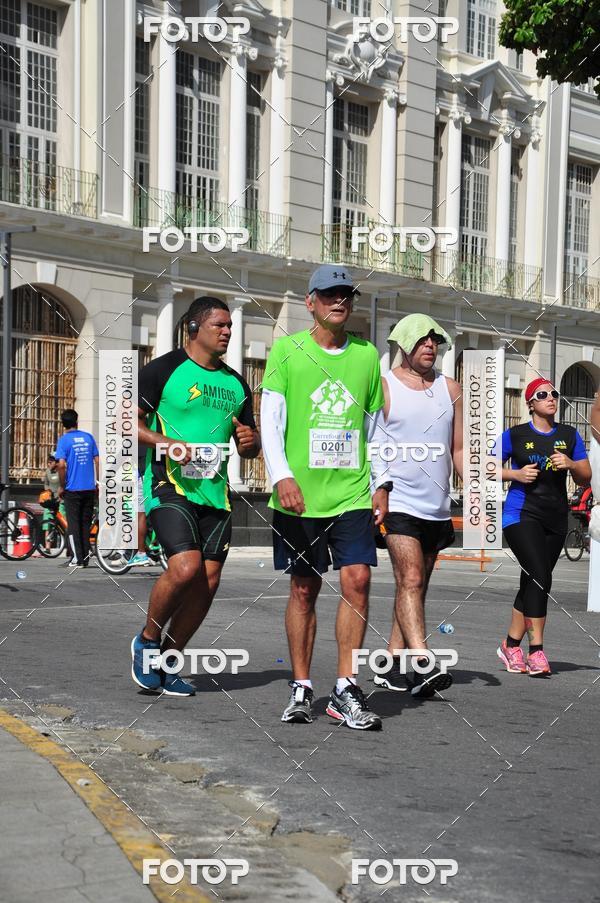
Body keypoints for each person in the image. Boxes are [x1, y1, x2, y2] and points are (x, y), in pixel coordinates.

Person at [260, 265, 390, 731]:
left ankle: (345, 686)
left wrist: (382, 482)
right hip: (299, 496)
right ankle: (301, 686)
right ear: (311, 302)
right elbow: (270, 421)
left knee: (357, 579)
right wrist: (281, 476)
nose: (341, 302)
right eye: (331, 295)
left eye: (347, 296)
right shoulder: (286, 350)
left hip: (351, 492)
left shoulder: (366, 356)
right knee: (304, 588)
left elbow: (374, 427)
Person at [132, 297, 261, 696]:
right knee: (185, 567)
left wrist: (248, 442)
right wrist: (166, 441)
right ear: (193, 327)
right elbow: (127, 421)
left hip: (215, 494)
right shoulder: (162, 370)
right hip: (169, 483)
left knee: (207, 580)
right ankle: (148, 641)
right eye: (219, 325)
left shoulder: (236, 384)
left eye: (229, 327)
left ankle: (170, 661)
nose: (227, 332)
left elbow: (249, 448)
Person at [370, 314, 463, 697]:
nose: (431, 346)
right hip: (398, 501)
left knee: (415, 586)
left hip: (437, 505)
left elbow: (458, 449)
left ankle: (390, 663)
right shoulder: (384, 386)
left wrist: (475, 488)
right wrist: (379, 488)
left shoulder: (451, 388)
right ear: (405, 344)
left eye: (436, 341)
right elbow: (370, 442)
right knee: (409, 579)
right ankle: (423, 663)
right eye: (423, 340)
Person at [497, 377, 591, 676]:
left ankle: (511, 645)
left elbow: (585, 475)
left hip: (556, 517)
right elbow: (483, 467)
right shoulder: (515, 435)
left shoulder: (569, 434)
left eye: (554, 394)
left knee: (534, 580)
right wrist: (514, 474)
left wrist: (572, 464)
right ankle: (536, 651)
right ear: (530, 403)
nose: (551, 398)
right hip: (520, 515)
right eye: (542, 394)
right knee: (539, 575)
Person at [55, 410, 99, 568]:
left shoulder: (64, 440)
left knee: (73, 524)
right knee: (85, 523)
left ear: (63, 424)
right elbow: (97, 460)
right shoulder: (88, 438)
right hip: (89, 487)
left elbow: (60, 465)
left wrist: (61, 485)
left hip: (72, 489)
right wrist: (98, 482)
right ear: (76, 421)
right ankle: (85, 557)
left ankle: (76, 559)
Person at [130, 441, 151, 566]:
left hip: (144, 478)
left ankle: (141, 553)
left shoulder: (137, 440)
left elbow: (119, 459)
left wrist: (106, 478)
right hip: (161, 479)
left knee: (140, 515)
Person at [41, 454, 63, 552]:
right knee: (48, 523)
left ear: (56, 462)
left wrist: (60, 494)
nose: (49, 464)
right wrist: (48, 491)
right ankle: (47, 547)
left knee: (62, 523)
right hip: (50, 500)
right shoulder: (47, 472)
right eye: (48, 462)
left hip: (61, 500)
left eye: (51, 462)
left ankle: (68, 548)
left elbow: (64, 484)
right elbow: (46, 483)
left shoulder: (61, 471)